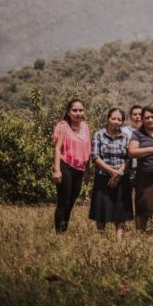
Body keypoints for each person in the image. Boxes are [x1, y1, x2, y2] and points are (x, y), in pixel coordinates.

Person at [89, 107, 132, 239]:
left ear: (123, 122)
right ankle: (100, 237)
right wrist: (112, 172)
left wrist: (118, 173)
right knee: (101, 207)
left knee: (120, 209)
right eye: (113, 118)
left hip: (121, 178)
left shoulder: (126, 136)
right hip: (103, 177)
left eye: (119, 119)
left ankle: (119, 238)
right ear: (108, 119)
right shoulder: (99, 134)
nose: (116, 121)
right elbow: (95, 156)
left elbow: (129, 157)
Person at [52, 99, 91, 233]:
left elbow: (87, 149)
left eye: (81, 110)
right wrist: (57, 170)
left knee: (71, 203)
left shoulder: (85, 127)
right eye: (75, 110)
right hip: (65, 166)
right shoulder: (63, 126)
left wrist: (87, 170)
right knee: (64, 202)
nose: (78, 113)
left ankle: (64, 230)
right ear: (68, 112)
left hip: (79, 169)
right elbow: (57, 148)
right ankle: (59, 234)